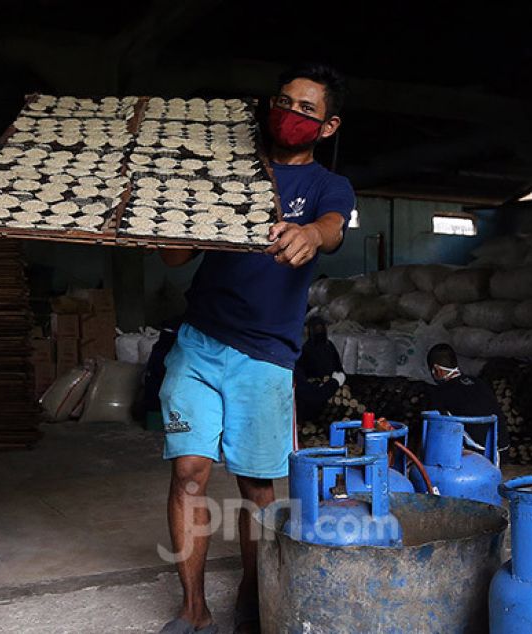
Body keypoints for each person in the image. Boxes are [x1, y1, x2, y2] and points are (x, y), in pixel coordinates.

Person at [156, 64, 354, 634]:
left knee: (255, 487)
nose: (289, 115)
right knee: (189, 469)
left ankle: (256, 596)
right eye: (283, 102)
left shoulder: (324, 186)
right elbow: (172, 259)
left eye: (305, 110)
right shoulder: (231, 174)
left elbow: (334, 227)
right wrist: (180, 215)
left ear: (328, 125)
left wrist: (312, 234)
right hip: (199, 342)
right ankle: (193, 610)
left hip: (265, 357)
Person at [424, 343, 510, 455]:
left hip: (480, 453)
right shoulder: (480, 383)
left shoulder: (440, 393)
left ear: (437, 370)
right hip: (503, 449)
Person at [294, 317, 346, 424]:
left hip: (332, 388)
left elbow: (338, 366)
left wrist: (339, 377)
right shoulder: (306, 349)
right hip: (315, 389)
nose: (319, 330)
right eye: (316, 328)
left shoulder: (329, 346)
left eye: (321, 327)